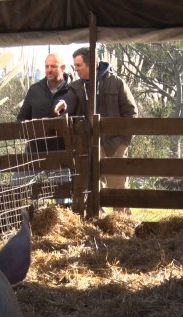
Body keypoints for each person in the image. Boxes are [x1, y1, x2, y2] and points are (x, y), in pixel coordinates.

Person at [55, 47, 138, 214]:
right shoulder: (76, 87)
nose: (75, 69)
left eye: (78, 65)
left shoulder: (116, 82)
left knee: (118, 188)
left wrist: (124, 143)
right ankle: (95, 225)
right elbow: (69, 99)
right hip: (87, 147)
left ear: (91, 64)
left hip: (113, 145)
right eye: (74, 66)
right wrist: (63, 104)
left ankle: (122, 227)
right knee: (91, 190)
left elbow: (131, 112)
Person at [14, 53, 72, 205]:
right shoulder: (35, 90)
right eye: (47, 66)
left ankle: (63, 225)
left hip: (60, 152)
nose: (49, 70)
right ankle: (19, 219)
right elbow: (21, 118)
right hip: (34, 150)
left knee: (63, 195)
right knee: (15, 185)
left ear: (63, 68)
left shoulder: (73, 90)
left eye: (53, 66)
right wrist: (32, 128)